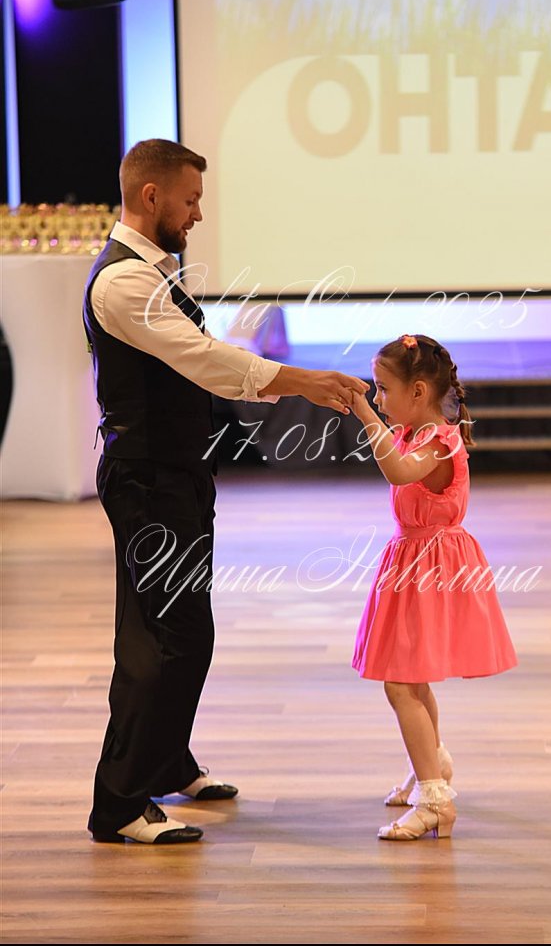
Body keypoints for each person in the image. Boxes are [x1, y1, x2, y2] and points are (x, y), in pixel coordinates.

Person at [83, 138, 369, 845]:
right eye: (190, 200)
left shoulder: (152, 274)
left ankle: (165, 760)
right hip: (148, 480)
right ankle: (119, 803)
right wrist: (304, 381)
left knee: (179, 630)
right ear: (151, 196)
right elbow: (205, 362)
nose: (198, 214)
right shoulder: (122, 283)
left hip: (173, 473)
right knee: (166, 637)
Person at [349, 333, 518, 841]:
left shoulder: (439, 441)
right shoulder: (414, 432)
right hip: (412, 562)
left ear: (418, 391)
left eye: (383, 389)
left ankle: (435, 799)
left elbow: (398, 472)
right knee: (412, 678)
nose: (378, 398)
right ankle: (432, 764)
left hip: (432, 567)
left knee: (400, 682)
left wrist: (363, 413)